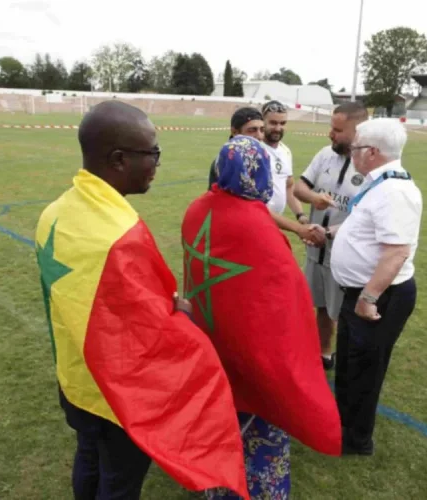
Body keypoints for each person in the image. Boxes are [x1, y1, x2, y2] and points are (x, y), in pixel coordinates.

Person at [35, 101, 247, 500]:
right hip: (117, 395)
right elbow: (152, 329)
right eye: (153, 152)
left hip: (75, 375)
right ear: (118, 159)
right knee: (118, 481)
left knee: (89, 459)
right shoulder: (120, 234)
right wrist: (180, 313)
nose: (157, 163)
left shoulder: (55, 212)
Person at [185, 136, 341, 500]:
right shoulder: (257, 228)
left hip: (210, 341)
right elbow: (287, 299)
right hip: (253, 353)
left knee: (220, 422)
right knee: (260, 429)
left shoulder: (196, 210)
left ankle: (216, 487)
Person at [330, 118, 422, 456]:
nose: (351, 153)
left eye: (355, 148)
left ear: (371, 152)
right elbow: (364, 228)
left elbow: (397, 252)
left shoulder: (395, 191)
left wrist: (369, 298)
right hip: (360, 293)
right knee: (350, 364)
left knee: (365, 371)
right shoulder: (381, 183)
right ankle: (341, 424)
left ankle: (356, 440)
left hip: (379, 296)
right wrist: (328, 233)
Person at [294, 102, 369, 369]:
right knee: (322, 305)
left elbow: (365, 218)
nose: (330, 133)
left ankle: (349, 358)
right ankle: (324, 352)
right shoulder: (325, 154)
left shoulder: (369, 165)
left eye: (337, 129)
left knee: (347, 310)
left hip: (346, 255)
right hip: (315, 248)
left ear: (358, 131)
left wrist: (327, 233)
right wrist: (315, 198)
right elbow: (299, 188)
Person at [207, 104, 322, 245]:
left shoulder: (283, 151)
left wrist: (300, 215)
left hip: (265, 225)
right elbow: (249, 206)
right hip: (243, 230)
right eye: (273, 123)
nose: (259, 135)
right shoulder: (236, 159)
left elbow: (288, 185)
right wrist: (297, 228)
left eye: (282, 123)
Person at [207, 107, 265, 186]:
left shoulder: (263, 156)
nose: (259, 136)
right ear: (234, 132)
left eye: (262, 130)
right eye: (252, 130)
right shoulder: (226, 161)